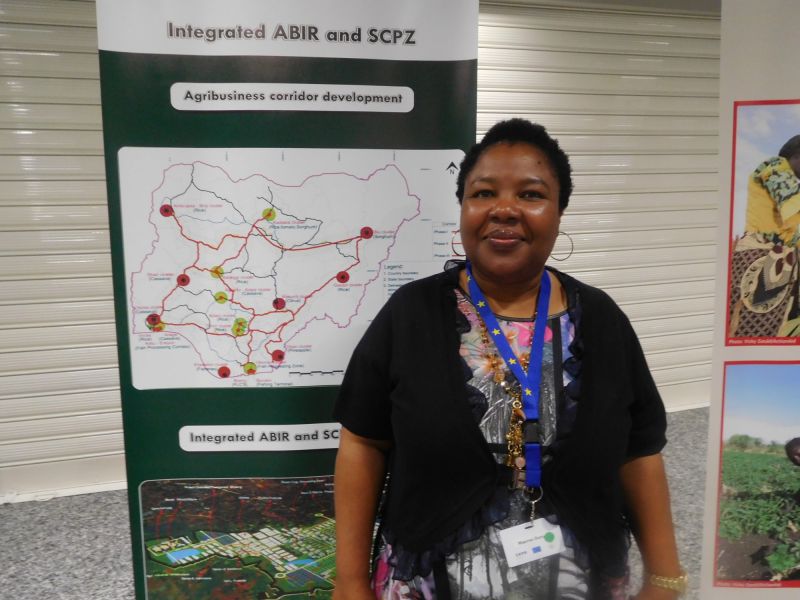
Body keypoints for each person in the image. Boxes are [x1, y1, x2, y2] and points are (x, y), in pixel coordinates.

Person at [333, 119, 684, 599]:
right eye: (483, 193)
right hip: (428, 584)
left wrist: (664, 576)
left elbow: (639, 449)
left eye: (530, 195)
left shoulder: (601, 321)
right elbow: (362, 442)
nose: (503, 210)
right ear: (463, 207)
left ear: (559, 211)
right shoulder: (411, 314)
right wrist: (350, 581)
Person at [729, 135, 800, 338]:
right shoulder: (775, 167)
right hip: (761, 254)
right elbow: (793, 210)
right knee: (753, 324)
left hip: (776, 254)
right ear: (797, 156)